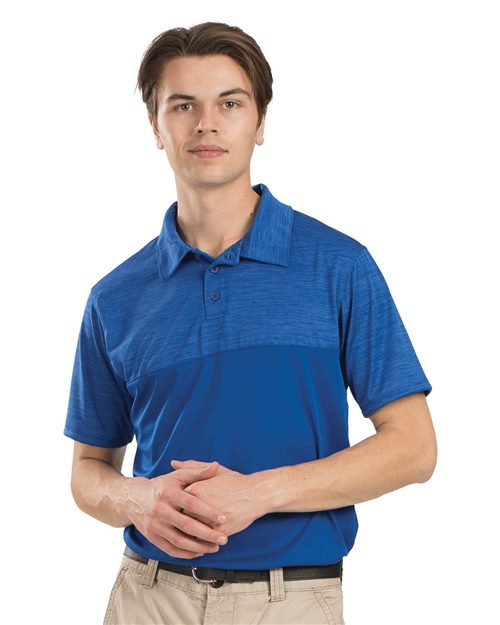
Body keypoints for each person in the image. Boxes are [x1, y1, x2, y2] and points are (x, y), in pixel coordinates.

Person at [64, 21, 437, 625]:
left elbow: (415, 448)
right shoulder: (114, 296)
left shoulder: (339, 266)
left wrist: (259, 493)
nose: (206, 123)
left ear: (260, 122)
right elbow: (88, 471)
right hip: (148, 597)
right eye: (183, 105)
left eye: (230, 104)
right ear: (156, 127)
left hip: (290, 601)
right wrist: (136, 497)